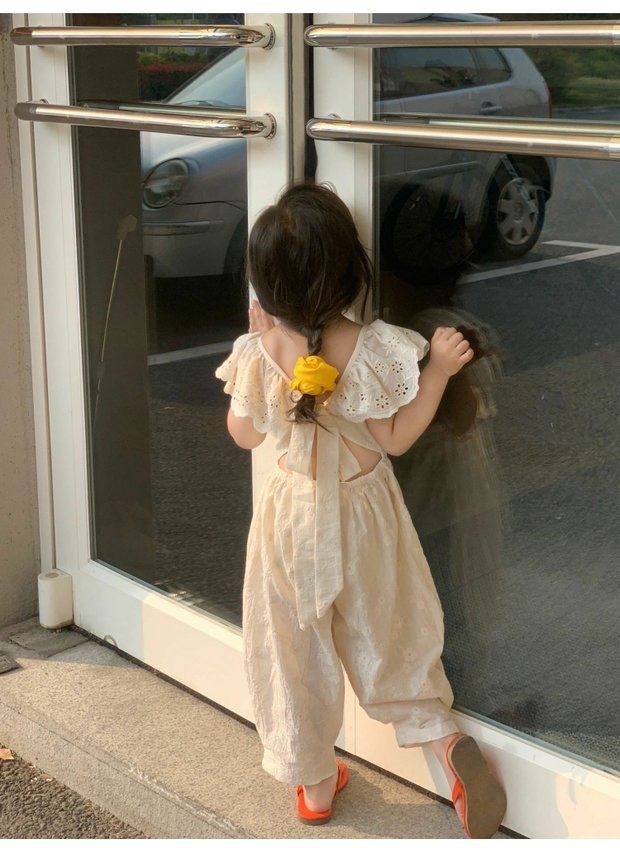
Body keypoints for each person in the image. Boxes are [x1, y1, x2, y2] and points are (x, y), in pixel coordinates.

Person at [215, 183, 506, 838]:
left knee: (291, 646)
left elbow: (245, 434)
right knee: (388, 628)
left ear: (266, 287)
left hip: (291, 515)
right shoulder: (371, 346)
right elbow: (396, 438)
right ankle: (441, 739)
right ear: (351, 271)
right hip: (364, 511)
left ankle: (315, 783)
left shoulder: (262, 350)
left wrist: (259, 342)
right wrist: (437, 372)